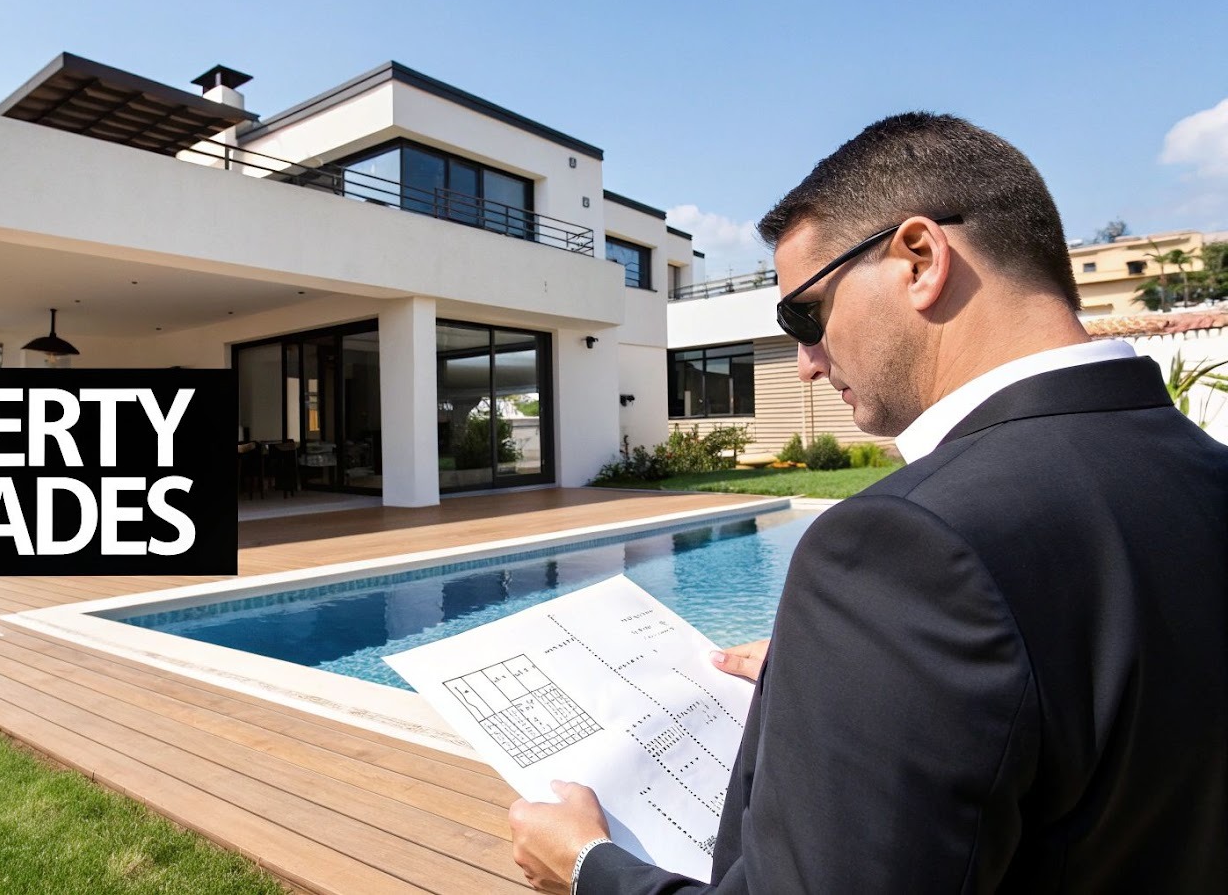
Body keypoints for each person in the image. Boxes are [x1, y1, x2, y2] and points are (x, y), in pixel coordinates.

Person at [508, 112, 1228, 893]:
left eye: (803, 315)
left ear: (919, 258)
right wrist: (859, 677)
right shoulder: (1202, 475)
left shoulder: (907, 544)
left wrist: (588, 867)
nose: (806, 363)